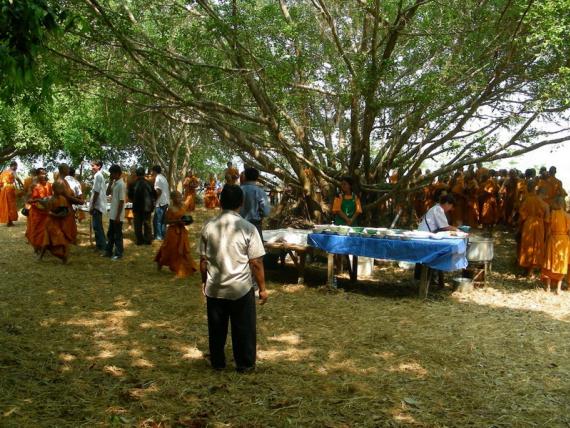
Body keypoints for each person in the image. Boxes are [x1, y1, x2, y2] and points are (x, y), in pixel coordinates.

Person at [199, 185, 268, 372]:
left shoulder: (209, 226)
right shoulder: (248, 228)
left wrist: (204, 284)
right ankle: (245, 364)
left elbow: (203, 261)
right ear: (241, 203)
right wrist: (262, 288)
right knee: (243, 328)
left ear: (220, 202)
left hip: (215, 287)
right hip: (241, 288)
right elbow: (256, 263)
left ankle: (217, 362)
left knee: (216, 329)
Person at [155, 191, 197, 278]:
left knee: (183, 250)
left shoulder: (182, 206)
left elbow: (184, 217)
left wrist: (188, 221)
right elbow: (165, 221)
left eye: (180, 197)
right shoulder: (170, 209)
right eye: (178, 197)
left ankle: (184, 267)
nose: (180, 199)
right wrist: (176, 221)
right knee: (169, 249)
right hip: (173, 232)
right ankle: (161, 262)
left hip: (182, 231)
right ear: (173, 198)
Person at [517, 181, 548, 277]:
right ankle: (532, 270)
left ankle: (526, 268)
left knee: (527, 244)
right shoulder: (544, 204)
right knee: (536, 246)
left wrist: (519, 225)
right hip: (539, 225)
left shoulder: (527, 200)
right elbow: (547, 219)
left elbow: (522, 215)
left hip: (528, 224)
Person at [541, 197, 570, 294]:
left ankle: (548, 287)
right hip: (564, 241)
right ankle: (558, 289)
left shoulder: (552, 215)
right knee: (562, 262)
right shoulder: (567, 216)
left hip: (552, 239)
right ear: (563, 204)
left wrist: (546, 240)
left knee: (550, 261)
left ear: (557, 204)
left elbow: (548, 230)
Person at [38, 181, 71, 264]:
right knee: (56, 240)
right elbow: (45, 206)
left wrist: (55, 215)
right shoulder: (50, 199)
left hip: (58, 221)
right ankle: (63, 257)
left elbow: (64, 211)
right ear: (55, 189)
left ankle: (63, 257)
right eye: (61, 188)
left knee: (50, 240)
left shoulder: (62, 199)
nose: (62, 190)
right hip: (51, 223)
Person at [25, 170, 52, 253]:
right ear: (37, 175)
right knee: (35, 231)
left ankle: (43, 246)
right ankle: (36, 247)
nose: (44, 175)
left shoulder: (49, 185)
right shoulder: (33, 186)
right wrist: (38, 200)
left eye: (45, 173)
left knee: (45, 230)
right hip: (36, 213)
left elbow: (51, 196)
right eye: (41, 174)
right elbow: (28, 200)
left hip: (46, 212)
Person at [102, 164, 126, 260]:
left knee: (117, 235)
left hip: (117, 215)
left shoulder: (121, 185)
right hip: (112, 214)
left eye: (112, 173)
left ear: (117, 173)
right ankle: (108, 251)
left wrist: (117, 216)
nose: (110, 175)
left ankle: (118, 253)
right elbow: (107, 193)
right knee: (110, 234)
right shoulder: (115, 183)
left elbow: (121, 201)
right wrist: (110, 182)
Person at [240, 167, 271, 239]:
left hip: (238, 225)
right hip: (255, 226)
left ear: (245, 177)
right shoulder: (260, 192)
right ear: (257, 178)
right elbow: (266, 212)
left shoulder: (237, 190)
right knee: (256, 249)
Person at [128, 167, 155, 245]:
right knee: (147, 224)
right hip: (147, 207)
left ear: (136, 174)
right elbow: (154, 195)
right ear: (144, 174)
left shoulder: (133, 184)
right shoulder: (149, 183)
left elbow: (130, 196)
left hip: (137, 207)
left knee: (138, 224)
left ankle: (140, 241)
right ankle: (147, 240)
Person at [89, 160, 107, 251]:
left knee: (98, 227)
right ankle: (99, 246)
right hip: (98, 204)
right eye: (91, 166)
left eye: (93, 166)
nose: (91, 168)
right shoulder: (98, 176)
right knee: (96, 226)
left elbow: (96, 192)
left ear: (99, 166)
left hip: (97, 205)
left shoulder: (98, 176)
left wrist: (92, 205)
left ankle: (103, 247)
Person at [0, 161, 23, 227]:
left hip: (3, 189)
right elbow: (17, 179)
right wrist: (22, 185)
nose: (16, 168)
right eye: (16, 166)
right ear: (13, 165)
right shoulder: (12, 171)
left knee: (5, 204)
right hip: (9, 189)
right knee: (11, 205)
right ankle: (9, 221)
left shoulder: (4, 172)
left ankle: (8, 220)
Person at [151, 165, 169, 241]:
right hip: (165, 201)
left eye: (152, 171)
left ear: (154, 171)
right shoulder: (163, 178)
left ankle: (158, 236)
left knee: (157, 220)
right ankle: (162, 235)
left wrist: (154, 200)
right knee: (162, 221)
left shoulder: (158, 178)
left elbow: (158, 191)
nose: (151, 173)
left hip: (160, 202)